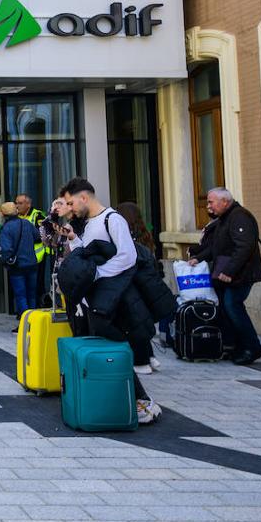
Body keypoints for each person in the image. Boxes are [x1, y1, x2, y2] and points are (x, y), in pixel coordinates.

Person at [60, 177, 161, 425]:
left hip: (111, 298)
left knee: (115, 349)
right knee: (108, 350)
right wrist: (74, 239)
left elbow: (127, 256)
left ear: (84, 197)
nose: (70, 208)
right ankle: (127, 400)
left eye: (71, 203)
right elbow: (89, 253)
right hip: (96, 298)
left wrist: (96, 274)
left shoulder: (112, 219)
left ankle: (144, 402)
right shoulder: (92, 222)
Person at [187, 187, 261, 365]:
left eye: (211, 202)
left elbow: (244, 247)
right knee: (228, 307)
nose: (208, 206)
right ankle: (236, 346)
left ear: (225, 201)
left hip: (241, 275)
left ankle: (252, 348)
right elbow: (216, 246)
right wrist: (198, 258)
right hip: (229, 274)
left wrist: (229, 272)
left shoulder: (239, 216)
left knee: (232, 305)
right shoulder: (225, 218)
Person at [116, 202, 167, 374]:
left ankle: (142, 360)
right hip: (147, 285)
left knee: (134, 323)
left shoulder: (127, 238)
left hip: (134, 285)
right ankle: (149, 356)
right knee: (141, 321)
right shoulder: (144, 235)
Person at [0, 202, 40, 331]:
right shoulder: (26, 223)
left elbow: (6, 249)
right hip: (32, 264)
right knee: (32, 294)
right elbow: (38, 237)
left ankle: (25, 324)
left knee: (21, 295)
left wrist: (6, 261)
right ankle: (33, 324)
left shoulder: (7, 228)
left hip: (17, 266)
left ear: (3, 214)